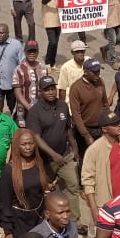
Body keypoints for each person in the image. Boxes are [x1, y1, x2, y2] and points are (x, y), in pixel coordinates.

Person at [26, 75, 81, 230]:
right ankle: (44, 221)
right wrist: (53, 154)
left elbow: (68, 129)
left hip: (65, 156)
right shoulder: (34, 112)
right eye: (47, 89)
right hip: (45, 160)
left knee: (72, 185)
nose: (51, 92)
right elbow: (36, 137)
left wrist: (74, 148)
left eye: (52, 88)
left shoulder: (63, 105)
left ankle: (74, 221)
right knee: (43, 189)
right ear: (40, 92)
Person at [0, 128, 50, 238]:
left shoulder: (39, 163)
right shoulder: (9, 170)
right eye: (24, 144)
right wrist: (8, 232)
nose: (28, 147)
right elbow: (4, 204)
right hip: (19, 221)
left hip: (39, 218)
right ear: (17, 146)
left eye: (31, 143)